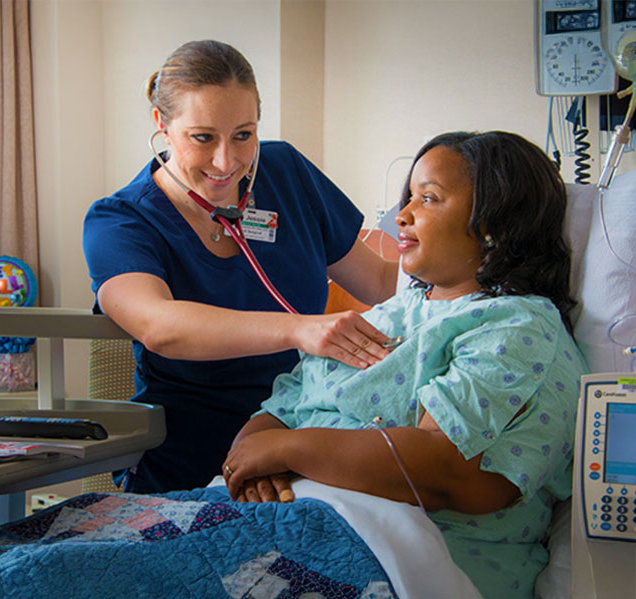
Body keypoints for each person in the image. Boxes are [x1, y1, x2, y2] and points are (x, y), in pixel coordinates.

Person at [221, 130, 589, 599]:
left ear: (495, 222)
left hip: (401, 557)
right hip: (278, 518)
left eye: (428, 199)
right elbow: (282, 406)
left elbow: (446, 469)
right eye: (408, 197)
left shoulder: (516, 325)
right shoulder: (387, 314)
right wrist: (258, 461)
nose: (403, 216)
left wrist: (290, 451)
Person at [82, 40, 398, 494]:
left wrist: (488, 266)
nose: (226, 162)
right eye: (203, 137)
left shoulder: (286, 172)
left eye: (243, 135)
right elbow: (159, 326)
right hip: (192, 454)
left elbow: (381, 280)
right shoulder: (121, 220)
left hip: (305, 433)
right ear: (162, 126)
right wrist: (299, 329)